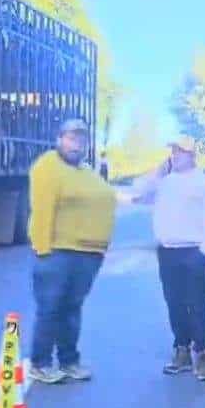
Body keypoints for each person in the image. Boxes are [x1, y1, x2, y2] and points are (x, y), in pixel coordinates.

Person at [26, 118, 118, 384]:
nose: (77, 143)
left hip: (87, 254)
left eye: (82, 139)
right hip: (57, 252)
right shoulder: (48, 166)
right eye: (71, 137)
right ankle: (40, 363)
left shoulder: (87, 172)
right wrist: (43, 250)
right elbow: (42, 209)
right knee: (51, 308)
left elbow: (108, 198)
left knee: (72, 309)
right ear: (59, 139)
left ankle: (68, 361)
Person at [133, 136, 205, 381]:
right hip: (167, 250)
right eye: (173, 151)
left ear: (192, 155)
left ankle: (202, 353)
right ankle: (181, 350)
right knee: (173, 302)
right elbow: (138, 192)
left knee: (196, 303)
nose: (175, 155)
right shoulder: (165, 182)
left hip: (194, 250)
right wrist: (157, 174)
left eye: (180, 151)